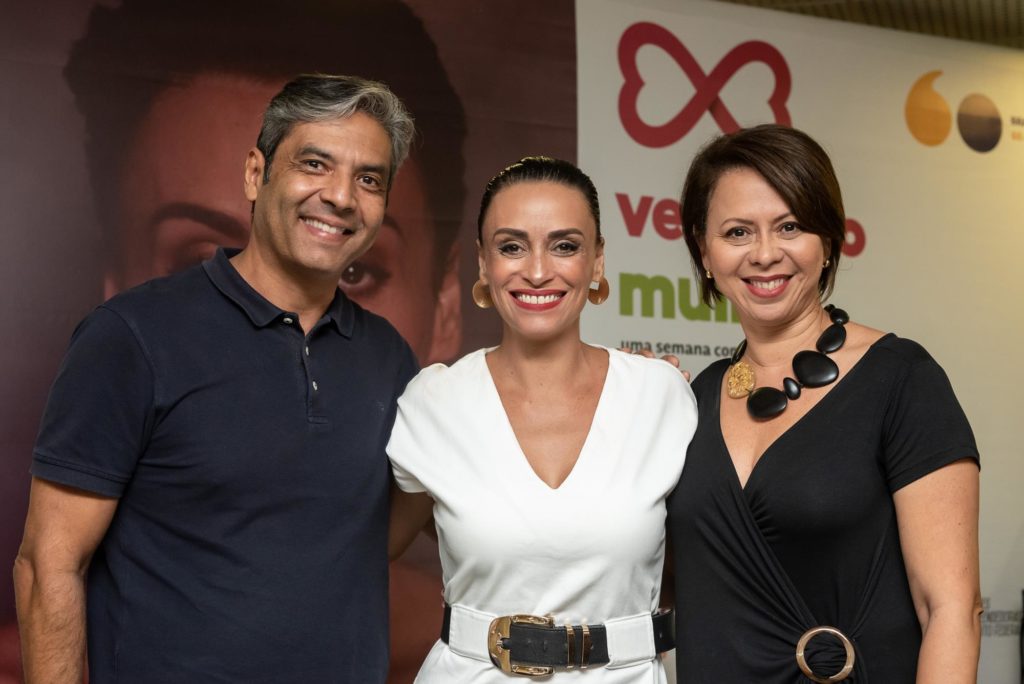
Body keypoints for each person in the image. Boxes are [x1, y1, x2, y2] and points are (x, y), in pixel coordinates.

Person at [15, 74, 419, 683]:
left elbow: (359, 544)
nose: (340, 196)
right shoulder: (132, 336)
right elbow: (49, 564)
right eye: (315, 163)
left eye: (369, 179)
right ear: (256, 174)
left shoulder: (389, 358)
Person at [669, 124, 982, 682]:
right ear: (704, 249)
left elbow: (952, 610)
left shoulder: (901, 378)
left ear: (828, 241)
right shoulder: (691, 399)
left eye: (790, 226)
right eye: (737, 232)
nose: (765, 254)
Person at [387, 156, 697, 682]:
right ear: (483, 265)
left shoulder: (661, 394)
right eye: (511, 246)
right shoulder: (434, 403)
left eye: (565, 245)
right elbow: (355, 550)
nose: (536, 270)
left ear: (597, 262)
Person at [63, 0, 466, 366]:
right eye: (205, 260)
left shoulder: (387, 355)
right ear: (116, 289)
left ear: (445, 305)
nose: (272, 311)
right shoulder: (116, 349)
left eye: (352, 271)